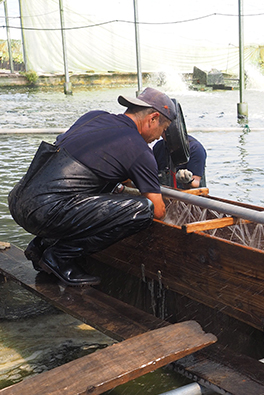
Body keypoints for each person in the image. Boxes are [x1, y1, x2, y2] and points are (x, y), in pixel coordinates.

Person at [8, 87, 176, 286]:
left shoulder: (94, 117)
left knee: (100, 187)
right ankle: (60, 256)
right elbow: (157, 210)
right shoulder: (139, 148)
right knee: (143, 210)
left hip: (19, 201)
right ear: (153, 118)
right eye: (163, 130)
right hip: (45, 213)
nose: (159, 137)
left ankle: (41, 247)